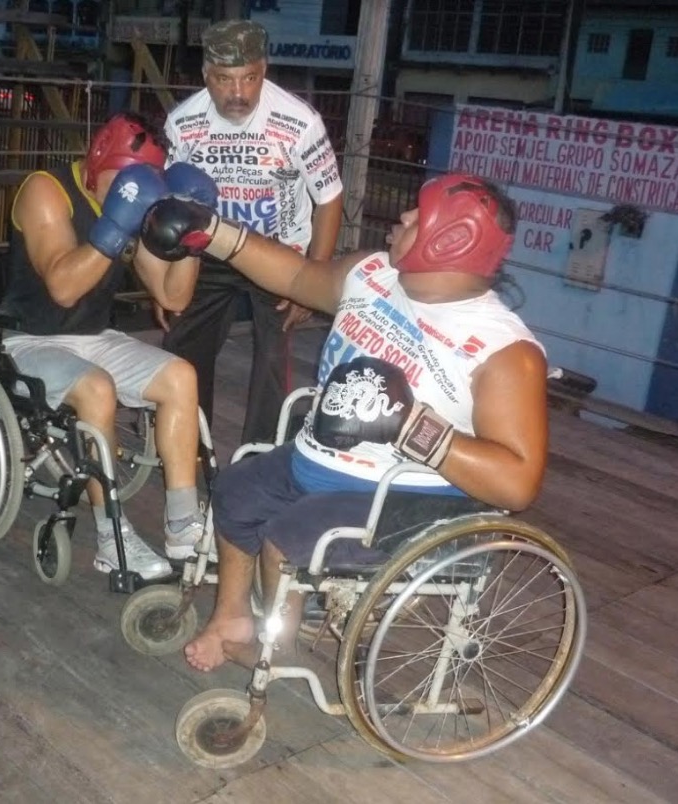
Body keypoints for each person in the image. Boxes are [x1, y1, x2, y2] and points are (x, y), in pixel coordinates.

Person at [139, 172, 549, 671]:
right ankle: (232, 619)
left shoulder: (504, 350)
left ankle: (278, 643)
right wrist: (214, 232)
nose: (401, 217)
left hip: (398, 495)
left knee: (285, 536)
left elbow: (518, 482)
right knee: (236, 490)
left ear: (453, 236)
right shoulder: (372, 273)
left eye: (419, 214)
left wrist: (410, 427)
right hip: (316, 457)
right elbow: (294, 277)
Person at [0, 112, 219, 581]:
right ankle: (111, 538)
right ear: (99, 159)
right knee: (97, 388)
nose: (125, 194)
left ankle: (183, 524)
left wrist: (194, 236)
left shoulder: (141, 202)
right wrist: (116, 223)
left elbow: (172, 296)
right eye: (121, 182)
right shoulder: (47, 189)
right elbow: (62, 286)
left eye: (135, 186)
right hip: (29, 339)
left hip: (94, 338)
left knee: (181, 375)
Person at [157, 19, 344, 444]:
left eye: (250, 78)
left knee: (274, 362)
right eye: (224, 79)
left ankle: (260, 455)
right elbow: (167, 203)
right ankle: (192, 443)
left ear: (264, 70)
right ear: (206, 75)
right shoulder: (184, 123)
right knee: (183, 346)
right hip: (210, 248)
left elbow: (329, 199)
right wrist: (163, 281)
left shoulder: (299, 121)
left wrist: (311, 280)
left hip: (279, 255)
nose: (238, 93)